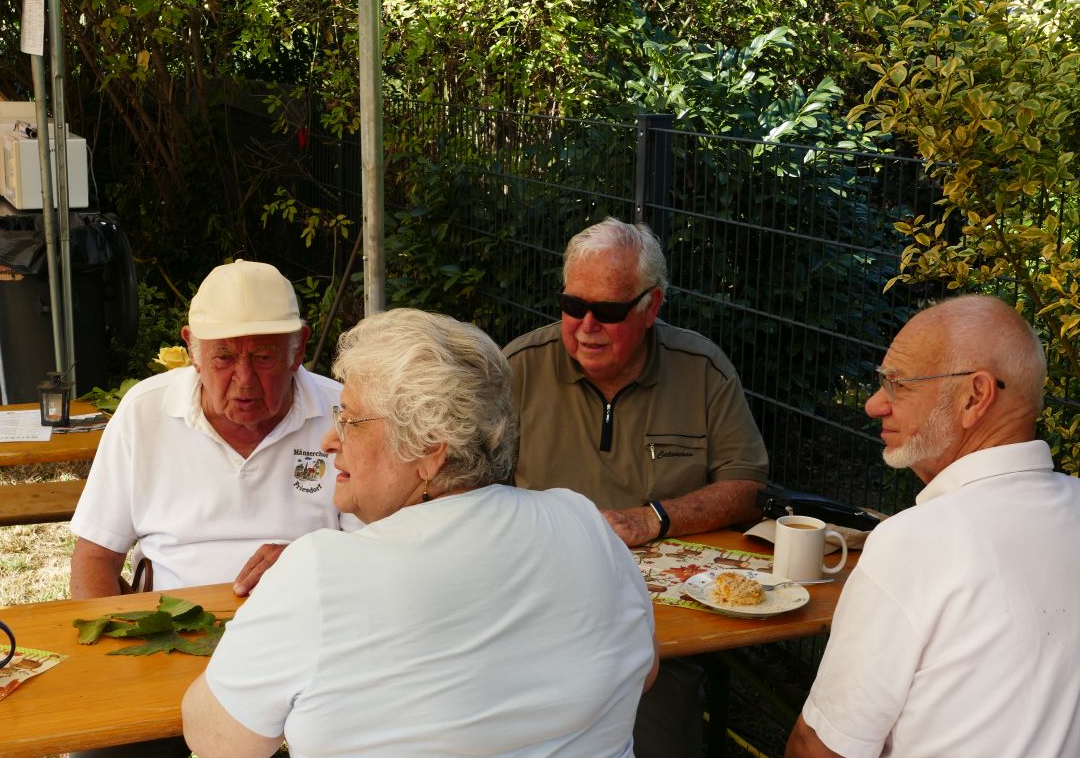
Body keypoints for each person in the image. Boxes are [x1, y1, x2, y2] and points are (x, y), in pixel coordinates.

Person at [183, 308, 659, 758]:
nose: (329, 441)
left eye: (349, 421)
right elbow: (645, 671)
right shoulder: (585, 522)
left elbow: (219, 741)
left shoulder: (320, 572)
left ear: (430, 448)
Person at [504, 217, 769, 758]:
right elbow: (464, 493)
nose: (586, 327)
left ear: (652, 307)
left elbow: (747, 485)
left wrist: (652, 518)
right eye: (573, 305)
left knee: (656, 740)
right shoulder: (517, 370)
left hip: (662, 628)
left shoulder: (701, 370)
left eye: (608, 311)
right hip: (536, 609)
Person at [786, 295, 1080, 758]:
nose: (873, 405)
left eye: (898, 385)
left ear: (975, 397)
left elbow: (821, 749)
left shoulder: (915, 542)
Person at [70, 259, 357, 600]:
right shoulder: (144, 411)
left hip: (310, 614)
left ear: (299, 349)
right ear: (193, 350)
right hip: (169, 623)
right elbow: (95, 556)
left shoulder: (347, 413)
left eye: (264, 357)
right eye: (224, 358)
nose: (245, 380)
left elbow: (378, 549)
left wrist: (312, 561)